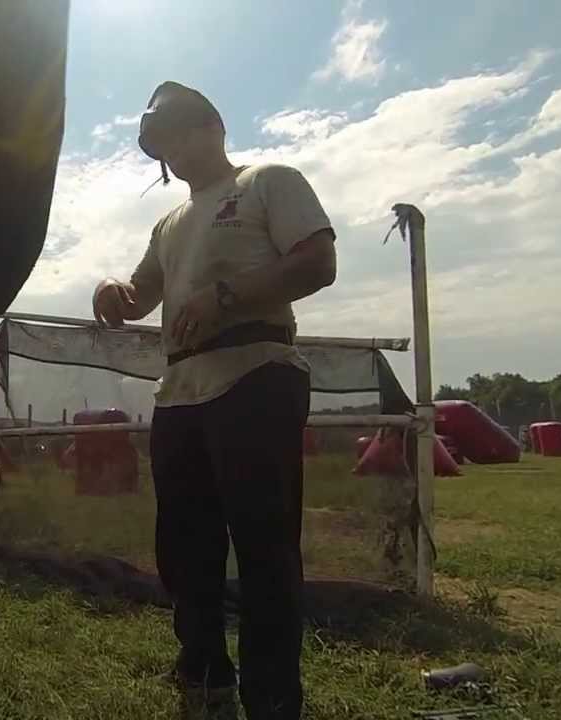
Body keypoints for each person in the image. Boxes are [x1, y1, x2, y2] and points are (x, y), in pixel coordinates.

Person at [92, 81, 338, 720]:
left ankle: (272, 698)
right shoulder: (170, 223)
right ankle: (203, 671)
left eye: (174, 137)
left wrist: (225, 297)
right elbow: (140, 295)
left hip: (256, 374)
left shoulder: (267, 181)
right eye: (158, 147)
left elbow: (318, 262)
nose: (168, 155)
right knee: (184, 547)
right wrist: (112, 290)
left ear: (212, 128)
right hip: (180, 391)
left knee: (264, 547)